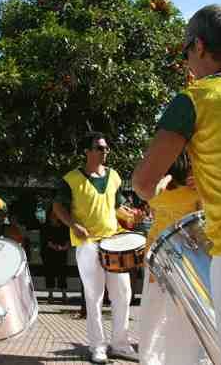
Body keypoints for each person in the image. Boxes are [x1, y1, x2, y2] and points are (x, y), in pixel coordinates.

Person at [132, 4, 221, 365]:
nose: (188, 65)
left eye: (186, 54)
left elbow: (143, 182)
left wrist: (156, 192)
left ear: (198, 46)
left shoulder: (196, 98)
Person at [53, 131, 138, 363]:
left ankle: (120, 344)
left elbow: (116, 207)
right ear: (87, 152)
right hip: (88, 244)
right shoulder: (70, 179)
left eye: (106, 147)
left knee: (123, 293)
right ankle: (97, 347)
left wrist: (130, 215)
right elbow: (58, 207)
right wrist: (73, 224)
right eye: (100, 148)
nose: (105, 151)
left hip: (113, 242)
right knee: (94, 296)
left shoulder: (114, 177)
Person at [139, 152, 210, 365]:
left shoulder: (193, 185)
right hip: (164, 257)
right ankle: (153, 360)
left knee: (167, 317)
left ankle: (161, 360)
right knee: (161, 315)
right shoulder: (165, 184)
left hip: (177, 257)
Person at [40, 206, 70, 304]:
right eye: (53, 214)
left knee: (62, 273)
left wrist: (64, 247)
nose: (55, 216)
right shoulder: (45, 226)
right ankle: (50, 295)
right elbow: (45, 240)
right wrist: (55, 247)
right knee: (50, 273)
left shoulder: (64, 226)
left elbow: (68, 240)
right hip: (49, 253)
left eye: (56, 214)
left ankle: (64, 295)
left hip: (62, 252)